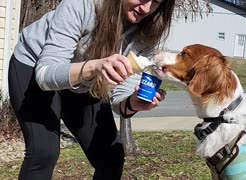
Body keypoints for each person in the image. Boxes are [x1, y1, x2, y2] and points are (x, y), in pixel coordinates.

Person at [8, 0, 175, 179]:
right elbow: (45, 75)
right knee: (43, 152)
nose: (146, 8)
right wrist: (95, 66)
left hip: (85, 81)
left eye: (156, 2)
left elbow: (120, 99)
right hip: (35, 67)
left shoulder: (148, 30)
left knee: (111, 157)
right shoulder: (83, 4)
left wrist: (133, 102)